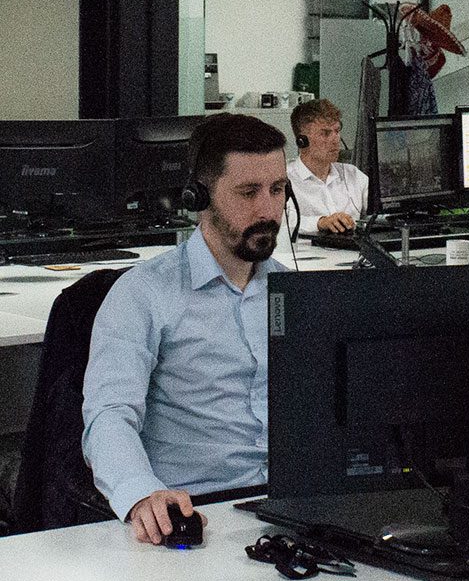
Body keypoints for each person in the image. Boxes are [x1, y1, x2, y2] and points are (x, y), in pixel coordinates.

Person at [82, 113, 288, 544]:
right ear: (199, 196)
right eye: (248, 192)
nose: (268, 210)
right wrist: (141, 495)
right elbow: (108, 414)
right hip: (197, 512)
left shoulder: (293, 290)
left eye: (278, 189)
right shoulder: (144, 293)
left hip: (288, 509)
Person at [286, 99, 368, 234]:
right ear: (302, 141)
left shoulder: (352, 175)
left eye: (337, 131)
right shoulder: (284, 180)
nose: (335, 139)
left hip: (353, 253)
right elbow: (280, 222)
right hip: (308, 253)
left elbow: (381, 211)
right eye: (325, 133)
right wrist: (320, 222)